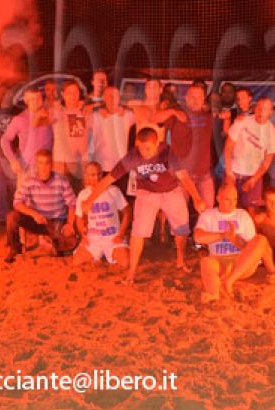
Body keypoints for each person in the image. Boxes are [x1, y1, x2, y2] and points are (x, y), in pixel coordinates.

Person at [80, 127, 206, 283]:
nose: (144, 152)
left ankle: (180, 260)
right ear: (136, 144)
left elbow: (184, 177)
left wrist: (196, 197)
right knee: (138, 231)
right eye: (141, 148)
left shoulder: (167, 152)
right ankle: (132, 272)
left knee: (181, 228)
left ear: (157, 143)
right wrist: (90, 200)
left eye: (148, 148)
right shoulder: (133, 156)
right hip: (147, 193)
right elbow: (108, 179)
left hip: (171, 191)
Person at [194, 185, 275, 303]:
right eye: (227, 200)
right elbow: (198, 237)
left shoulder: (242, 215)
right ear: (218, 198)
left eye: (234, 199)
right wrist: (222, 235)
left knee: (261, 240)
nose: (232, 203)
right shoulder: (208, 215)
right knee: (205, 262)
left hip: (242, 263)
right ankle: (213, 293)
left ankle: (229, 282)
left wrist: (234, 239)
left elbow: (252, 248)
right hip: (220, 264)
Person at [5, 149, 77, 263]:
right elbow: (17, 202)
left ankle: (55, 243)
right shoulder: (29, 181)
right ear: (36, 164)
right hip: (37, 221)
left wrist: (69, 224)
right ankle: (15, 249)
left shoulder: (62, 181)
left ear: (51, 164)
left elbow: (72, 204)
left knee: (63, 251)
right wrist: (34, 214)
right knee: (12, 217)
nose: (43, 167)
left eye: (47, 163)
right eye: (40, 163)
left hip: (56, 222)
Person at [224, 97, 275, 211]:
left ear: (271, 112)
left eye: (265, 109)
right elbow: (228, 147)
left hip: (253, 176)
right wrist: (229, 172)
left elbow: (266, 163)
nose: (261, 112)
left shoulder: (273, 133)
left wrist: (253, 180)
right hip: (233, 173)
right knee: (228, 207)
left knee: (251, 211)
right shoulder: (242, 121)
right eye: (259, 108)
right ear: (254, 108)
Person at [73, 161, 131, 269]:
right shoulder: (83, 194)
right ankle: (98, 256)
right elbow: (79, 218)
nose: (96, 178)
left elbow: (127, 212)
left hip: (113, 237)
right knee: (76, 262)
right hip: (94, 238)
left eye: (99, 174)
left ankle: (104, 256)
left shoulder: (113, 190)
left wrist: (121, 234)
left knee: (126, 263)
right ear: (86, 177)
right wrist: (83, 235)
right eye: (92, 175)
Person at [0, 87, 53, 179]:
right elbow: (5, 140)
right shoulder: (20, 119)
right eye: (32, 99)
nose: (35, 101)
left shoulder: (49, 115)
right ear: (26, 100)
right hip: (27, 167)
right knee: (24, 193)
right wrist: (12, 160)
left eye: (38, 98)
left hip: (46, 167)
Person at [51, 79, 90, 192]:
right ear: (63, 94)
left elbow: (79, 139)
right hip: (61, 162)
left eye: (75, 92)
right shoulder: (56, 111)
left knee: (81, 194)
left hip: (79, 162)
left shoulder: (83, 111)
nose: (72, 96)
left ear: (79, 94)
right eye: (69, 93)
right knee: (61, 196)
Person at [89, 86, 135, 175]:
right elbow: (81, 113)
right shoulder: (96, 116)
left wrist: (125, 107)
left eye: (115, 96)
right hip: (101, 166)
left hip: (121, 166)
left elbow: (144, 113)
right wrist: (97, 106)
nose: (112, 98)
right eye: (109, 96)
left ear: (119, 98)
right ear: (104, 98)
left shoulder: (128, 115)